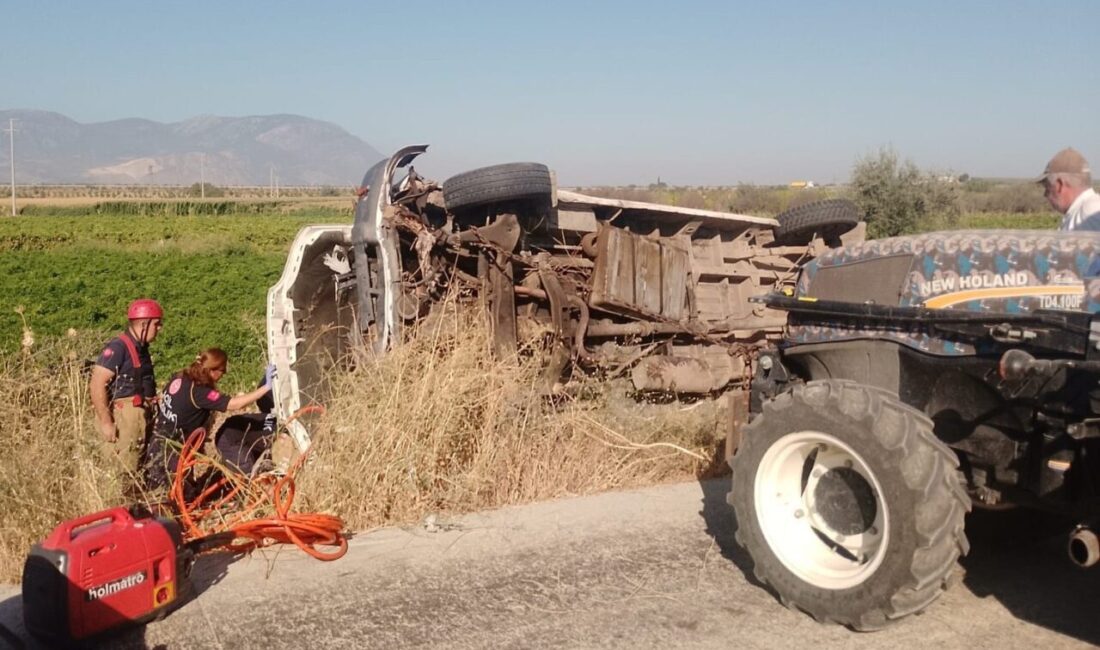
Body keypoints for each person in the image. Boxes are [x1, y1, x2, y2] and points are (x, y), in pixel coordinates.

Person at [144, 347, 273, 491]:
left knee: (167, 486)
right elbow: (235, 404)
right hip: (174, 449)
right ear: (212, 370)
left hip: (159, 440)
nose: (223, 375)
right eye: (222, 371)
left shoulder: (180, 376)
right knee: (173, 495)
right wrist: (265, 388)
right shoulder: (200, 393)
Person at [89, 298, 164, 474]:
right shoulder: (118, 347)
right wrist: (106, 422)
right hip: (125, 415)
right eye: (157, 324)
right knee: (124, 468)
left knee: (139, 464)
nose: (160, 328)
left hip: (139, 413)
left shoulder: (141, 347)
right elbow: (97, 383)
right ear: (144, 324)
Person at [1037, 147, 1100, 231]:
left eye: (1047, 188)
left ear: (1059, 185)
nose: (1045, 194)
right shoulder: (1081, 212)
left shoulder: (1088, 214)